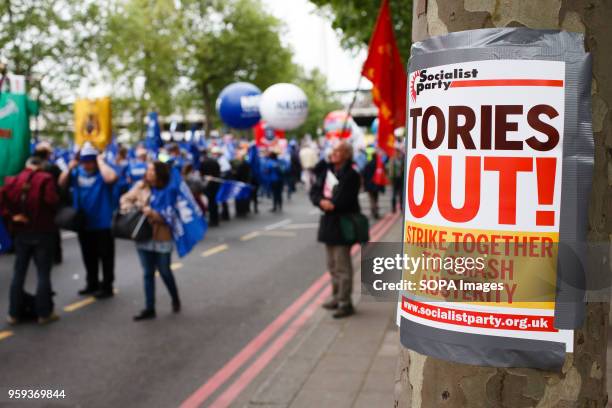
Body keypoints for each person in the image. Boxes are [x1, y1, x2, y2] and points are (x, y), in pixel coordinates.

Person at [2, 156, 60, 324]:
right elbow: (52, 201)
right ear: (40, 166)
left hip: (22, 233)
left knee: (18, 274)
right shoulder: (45, 178)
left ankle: (14, 313)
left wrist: (13, 217)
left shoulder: (14, 180)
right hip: (43, 232)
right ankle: (44, 313)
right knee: (43, 273)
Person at [119, 162, 181, 321]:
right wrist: (135, 208)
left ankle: (175, 298)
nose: (148, 172)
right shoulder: (141, 186)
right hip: (144, 235)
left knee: (165, 271)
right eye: (148, 170)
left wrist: (152, 213)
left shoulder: (170, 190)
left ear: (159, 173)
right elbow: (125, 199)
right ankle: (149, 307)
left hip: (162, 236)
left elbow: (172, 216)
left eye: (152, 170)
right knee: (147, 273)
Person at [59, 142, 118, 299]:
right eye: (84, 161)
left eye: (89, 161)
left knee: (105, 257)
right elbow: (61, 183)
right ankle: (92, 283)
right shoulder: (77, 172)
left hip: (103, 223)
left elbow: (111, 177)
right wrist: (70, 166)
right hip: (84, 223)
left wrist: (99, 160)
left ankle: (107, 286)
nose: (86, 164)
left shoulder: (102, 173)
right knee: (88, 256)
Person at [310, 141, 361, 318]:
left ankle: (345, 303)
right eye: (333, 151)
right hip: (328, 224)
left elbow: (344, 200)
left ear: (346, 154)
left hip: (343, 224)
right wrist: (320, 201)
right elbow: (315, 191)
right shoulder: (328, 171)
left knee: (342, 266)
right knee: (332, 265)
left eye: (338, 151)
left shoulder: (351, 175)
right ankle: (336, 296)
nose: (334, 153)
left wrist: (331, 204)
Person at [200, 149, 221, 226]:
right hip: (216, 184)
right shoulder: (215, 162)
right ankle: (215, 219)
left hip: (208, 185)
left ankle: (213, 220)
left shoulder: (203, 163)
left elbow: (201, 174)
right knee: (214, 202)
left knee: (210, 203)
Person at [362, 153, 384, 219]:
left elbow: (364, 174)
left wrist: (364, 184)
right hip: (376, 184)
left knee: (371, 199)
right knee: (376, 198)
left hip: (369, 185)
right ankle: (376, 211)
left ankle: (373, 211)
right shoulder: (378, 165)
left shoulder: (368, 164)